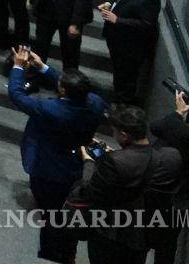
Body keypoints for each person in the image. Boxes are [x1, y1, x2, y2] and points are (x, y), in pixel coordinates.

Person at [8, 47, 104, 264]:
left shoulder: (51, 109)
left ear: (62, 91)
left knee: (51, 215)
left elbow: (17, 94)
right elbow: (74, 90)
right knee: (70, 213)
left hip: (48, 168)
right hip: (74, 164)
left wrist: (18, 66)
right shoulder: (96, 103)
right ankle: (68, 253)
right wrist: (43, 68)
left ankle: (50, 254)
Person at [72, 106, 182, 264]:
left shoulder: (115, 162)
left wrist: (89, 162)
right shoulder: (172, 156)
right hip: (143, 234)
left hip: (112, 236)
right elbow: (140, 167)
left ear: (123, 135)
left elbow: (90, 190)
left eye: (115, 132)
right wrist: (118, 155)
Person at [98, 0, 161, 107]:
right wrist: (108, 2)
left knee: (126, 78)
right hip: (116, 39)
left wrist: (117, 20)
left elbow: (147, 24)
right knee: (118, 73)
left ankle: (122, 105)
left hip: (130, 47)